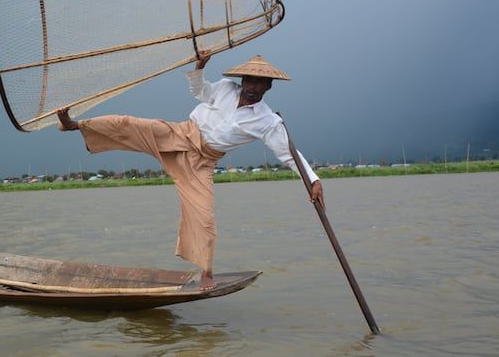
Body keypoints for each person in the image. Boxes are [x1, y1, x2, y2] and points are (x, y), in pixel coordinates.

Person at [57, 54, 324, 291]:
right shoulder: (224, 89)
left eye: (260, 82)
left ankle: (206, 271)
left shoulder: (268, 120)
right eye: (250, 80)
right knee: (128, 124)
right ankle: (74, 125)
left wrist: (312, 180)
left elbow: (289, 153)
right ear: (242, 80)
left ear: (269, 86)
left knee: (204, 216)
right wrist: (198, 69)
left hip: (202, 162)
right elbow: (200, 92)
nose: (253, 87)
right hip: (181, 134)